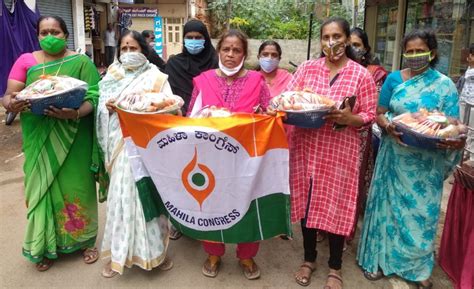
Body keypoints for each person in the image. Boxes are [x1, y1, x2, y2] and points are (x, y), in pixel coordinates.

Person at [357, 29, 464, 289]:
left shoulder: (444, 85)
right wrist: (387, 126)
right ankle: (381, 261)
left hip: (427, 163)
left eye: (420, 51)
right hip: (395, 157)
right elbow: (379, 113)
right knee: (389, 210)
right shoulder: (394, 80)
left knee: (422, 216)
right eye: (410, 51)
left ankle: (416, 267)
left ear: (433, 53)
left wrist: (449, 137)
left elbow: (453, 124)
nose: (415, 56)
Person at [2, 15, 100, 271]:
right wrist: (12, 103)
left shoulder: (81, 62)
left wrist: (75, 113)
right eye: (44, 32)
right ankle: (43, 245)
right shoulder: (25, 61)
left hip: (74, 134)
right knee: (41, 189)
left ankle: (85, 240)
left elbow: (96, 95)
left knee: (78, 186)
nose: (49, 37)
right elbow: (9, 96)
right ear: (37, 35)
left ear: (65, 35)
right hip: (39, 134)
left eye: (55, 32)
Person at [286, 17, 377, 288]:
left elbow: (370, 114)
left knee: (337, 204)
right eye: (326, 37)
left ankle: (335, 266)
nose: (331, 42)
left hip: (339, 150)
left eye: (337, 36)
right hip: (306, 146)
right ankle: (308, 258)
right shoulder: (306, 69)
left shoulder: (360, 74)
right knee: (307, 203)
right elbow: (290, 99)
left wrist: (352, 119)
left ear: (347, 39)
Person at [187, 29, 271, 280]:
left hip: (247, 159)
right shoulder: (203, 80)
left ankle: (246, 255)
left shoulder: (257, 80)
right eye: (226, 49)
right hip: (210, 159)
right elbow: (192, 116)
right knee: (210, 204)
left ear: (244, 53)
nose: (231, 55)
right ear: (218, 51)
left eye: (237, 50)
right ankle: (213, 252)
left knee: (247, 204)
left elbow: (269, 115)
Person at [97, 30, 174, 278]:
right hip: (120, 146)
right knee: (121, 197)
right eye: (124, 49)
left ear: (144, 50)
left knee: (147, 197)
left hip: (147, 146)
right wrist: (107, 108)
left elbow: (170, 107)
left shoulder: (156, 77)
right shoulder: (112, 75)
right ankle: (117, 255)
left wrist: (148, 103)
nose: (128, 54)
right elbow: (101, 108)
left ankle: (156, 253)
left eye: (134, 48)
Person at [347, 27, 389, 242]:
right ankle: (322, 229)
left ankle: (346, 231)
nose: (353, 49)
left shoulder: (375, 73)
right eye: (350, 44)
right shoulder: (336, 69)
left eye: (358, 45)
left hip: (361, 135)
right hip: (333, 133)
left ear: (366, 48)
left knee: (354, 183)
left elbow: (374, 108)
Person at [165, 19, 218, 115]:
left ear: (205, 39)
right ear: (183, 39)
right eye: (189, 37)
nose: (193, 41)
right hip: (179, 118)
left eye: (198, 38)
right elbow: (168, 95)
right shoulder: (174, 64)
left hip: (210, 118)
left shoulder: (216, 64)